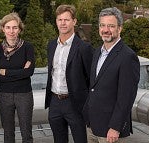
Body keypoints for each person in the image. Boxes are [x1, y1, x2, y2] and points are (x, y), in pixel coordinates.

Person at [82, 7, 140, 143]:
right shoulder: (97, 52)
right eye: (102, 25)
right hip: (92, 126)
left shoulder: (128, 57)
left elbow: (126, 97)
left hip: (110, 131)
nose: (106, 29)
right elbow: (94, 87)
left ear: (119, 28)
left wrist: (115, 127)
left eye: (111, 26)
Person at [44, 4, 94, 143]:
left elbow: (92, 79)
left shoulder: (84, 47)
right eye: (60, 20)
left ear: (74, 21)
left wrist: (88, 105)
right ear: (56, 22)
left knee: (80, 140)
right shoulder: (51, 45)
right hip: (55, 102)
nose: (63, 23)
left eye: (66, 19)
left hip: (75, 104)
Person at [0, 12, 35, 143]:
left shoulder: (28, 47)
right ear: (3, 29)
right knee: (8, 133)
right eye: (8, 27)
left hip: (24, 94)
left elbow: (29, 72)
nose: (11, 31)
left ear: (19, 29)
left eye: (15, 27)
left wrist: (6, 72)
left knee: (26, 133)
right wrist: (21, 71)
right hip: (4, 95)